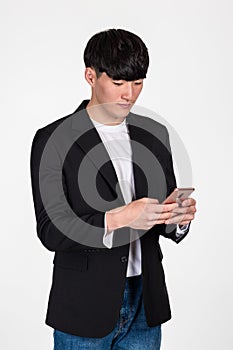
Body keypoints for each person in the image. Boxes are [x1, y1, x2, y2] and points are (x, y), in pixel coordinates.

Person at [30, 29, 196, 350]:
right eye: (118, 83)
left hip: (145, 304)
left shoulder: (154, 134)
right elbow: (51, 231)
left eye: (137, 83)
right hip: (83, 305)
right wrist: (117, 218)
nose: (129, 95)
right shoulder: (54, 139)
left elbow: (163, 218)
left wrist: (178, 218)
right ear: (90, 76)